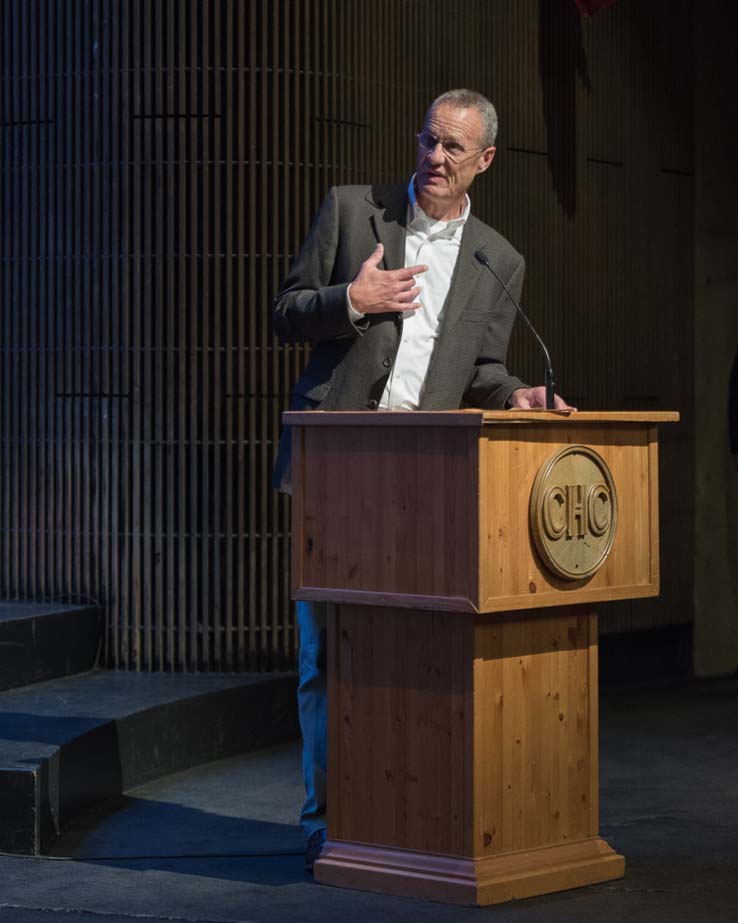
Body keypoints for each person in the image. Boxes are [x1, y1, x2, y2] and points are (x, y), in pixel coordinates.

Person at [272, 88, 572, 871]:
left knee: (405, 660)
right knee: (324, 659)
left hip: (421, 482)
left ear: (485, 161)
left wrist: (517, 395)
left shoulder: (496, 261)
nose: (434, 158)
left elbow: (481, 373)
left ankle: (391, 821)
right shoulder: (352, 211)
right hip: (337, 465)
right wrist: (353, 299)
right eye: (428, 140)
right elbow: (287, 310)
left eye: (452, 148)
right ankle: (324, 822)